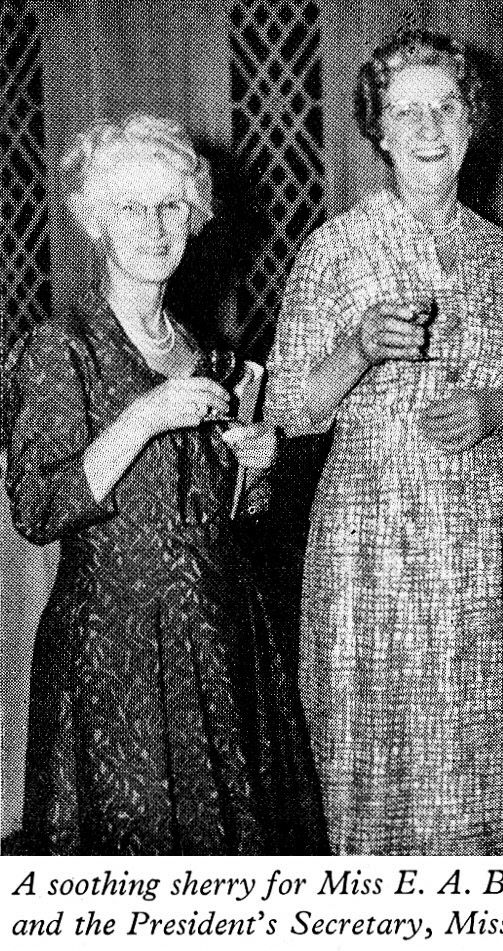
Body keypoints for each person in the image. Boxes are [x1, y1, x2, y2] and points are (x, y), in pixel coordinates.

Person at [265, 29, 503, 855]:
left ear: (472, 123)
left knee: (475, 770)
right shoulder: (335, 250)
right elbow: (287, 406)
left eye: (446, 108)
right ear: (380, 132)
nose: (429, 128)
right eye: (406, 112)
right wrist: (358, 347)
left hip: (476, 555)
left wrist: (502, 410)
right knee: (372, 773)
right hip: (369, 555)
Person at [4, 114, 327, 855]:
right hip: (116, 645)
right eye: (131, 207)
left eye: (170, 206)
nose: (154, 228)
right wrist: (144, 417)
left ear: (193, 217)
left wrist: (257, 465)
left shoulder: (203, 351)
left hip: (219, 633)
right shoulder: (62, 348)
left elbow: (224, 512)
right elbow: (38, 508)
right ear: (96, 222)